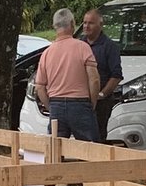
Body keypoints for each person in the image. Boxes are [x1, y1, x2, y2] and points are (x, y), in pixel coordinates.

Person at [34, 9, 100, 143]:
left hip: (56, 104)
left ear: (54, 26)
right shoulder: (83, 48)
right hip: (80, 104)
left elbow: (40, 86)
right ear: (72, 23)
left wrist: (51, 107)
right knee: (90, 150)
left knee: (56, 151)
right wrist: (91, 103)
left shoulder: (47, 53)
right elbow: (94, 80)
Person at [81, 8, 123, 143]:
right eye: (84, 22)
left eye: (91, 23)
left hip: (101, 103)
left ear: (100, 25)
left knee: (98, 137)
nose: (86, 26)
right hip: (80, 100)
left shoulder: (109, 47)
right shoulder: (79, 45)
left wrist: (102, 94)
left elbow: (116, 75)